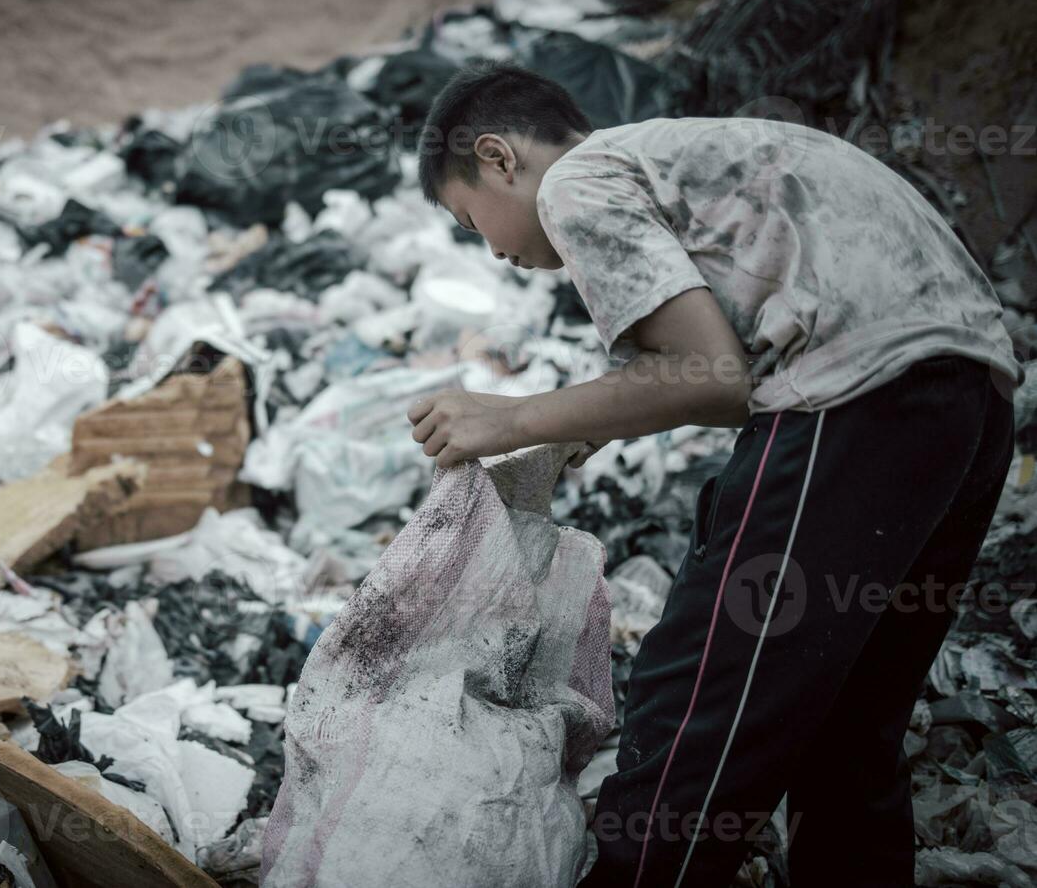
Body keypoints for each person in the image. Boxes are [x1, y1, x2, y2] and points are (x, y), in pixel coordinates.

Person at [406, 60, 1020, 887]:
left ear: (498, 158)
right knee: (846, 725)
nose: (495, 252)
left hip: (857, 395)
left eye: (470, 220)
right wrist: (579, 424)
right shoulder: (675, 155)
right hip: (970, 400)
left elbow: (706, 374)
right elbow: (722, 379)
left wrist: (509, 416)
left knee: (700, 695)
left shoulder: (576, 181)